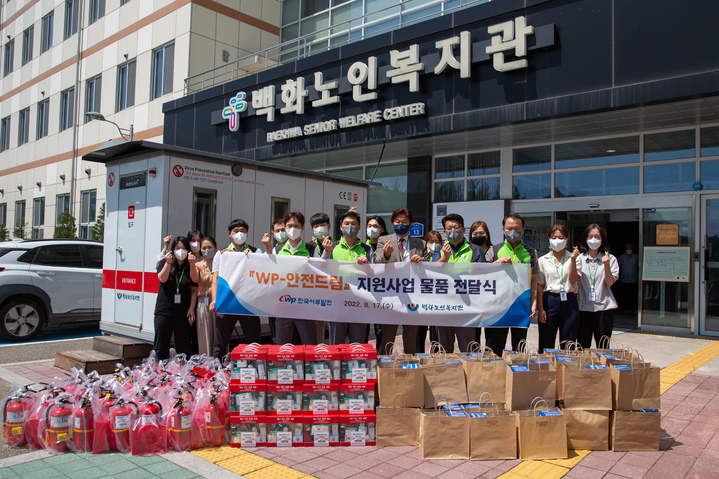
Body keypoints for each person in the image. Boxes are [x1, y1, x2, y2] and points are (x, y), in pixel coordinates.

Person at [375, 207, 429, 355]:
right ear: (392, 224)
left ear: (410, 224)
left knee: (411, 336)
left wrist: (422, 260)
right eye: (397, 221)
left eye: (404, 222)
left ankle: (410, 367)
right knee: (388, 337)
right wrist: (386, 255)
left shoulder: (420, 243)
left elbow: (430, 268)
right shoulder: (383, 240)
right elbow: (377, 264)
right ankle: (385, 368)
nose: (401, 224)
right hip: (391, 294)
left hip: (412, 296)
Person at [486, 213, 538, 356]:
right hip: (498, 306)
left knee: (519, 348)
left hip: (521, 305)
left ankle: (515, 376)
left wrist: (533, 304)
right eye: (509, 228)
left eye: (516, 228)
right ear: (503, 229)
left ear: (523, 229)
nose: (512, 231)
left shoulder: (531, 252)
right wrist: (497, 263)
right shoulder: (494, 250)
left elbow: (533, 280)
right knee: (494, 347)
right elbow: (483, 273)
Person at [209, 219, 262, 359]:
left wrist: (254, 258)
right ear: (229, 234)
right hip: (227, 302)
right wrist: (214, 300)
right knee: (220, 343)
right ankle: (217, 373)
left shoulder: (256, 251)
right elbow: (215, 278)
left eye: (243, 231)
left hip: (248, 304)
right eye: (236, 231)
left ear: (247, 233)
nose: (239, 234)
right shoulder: (221, 254)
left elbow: (263, 274)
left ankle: (256, 371)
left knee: (254, 341)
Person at [435, 214, 486, 353]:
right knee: (444, 349)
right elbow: (432, 273)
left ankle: (470, 374)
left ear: (463, 230)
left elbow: (483, 276)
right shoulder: (438, 250)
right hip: (443, 307)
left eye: (456, 227)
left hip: (467, 307)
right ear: (444, 232)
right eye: (449, 228)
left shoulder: (475, 250)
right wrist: (444, 258)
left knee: (468, 348)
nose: (453, 231)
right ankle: (448, 374)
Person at [323, 210, 371, 344]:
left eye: (354, 224)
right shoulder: (331, 247)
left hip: (359, 303)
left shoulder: (367, 249)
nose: (350, 226)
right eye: (347, 223)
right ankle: (336, 366)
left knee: (358, 345)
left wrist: (367, 266)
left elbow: (374, 274)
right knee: (335, 346)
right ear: (340, 227)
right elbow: (323, 270)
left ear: (359, 227)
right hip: (336, 303)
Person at [275, 211, 319, 345]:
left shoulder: (312, 250)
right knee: (282, 345)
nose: (292, 229)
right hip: (283, 305)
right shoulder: (277, 251)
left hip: (304, 305)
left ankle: (310, 366)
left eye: (296, 226)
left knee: (309, 343)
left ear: (302, 227)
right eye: (289, 226)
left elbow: (318, 275)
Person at [535, 225, 581, 352]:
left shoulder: (575, 258)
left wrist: (572, 260)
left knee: (568, 341)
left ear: (567, 239)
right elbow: (539, 285)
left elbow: (573, 279)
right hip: (550, 300)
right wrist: (541, 308)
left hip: (569, 299)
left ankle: (565, 368)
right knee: (546, 339)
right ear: (549, 239)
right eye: (554, 237)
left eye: (560, 237)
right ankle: (546, 368)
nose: (557, 240)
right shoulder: (543, 260)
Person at [154, 236, 197, 360]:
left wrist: (191, 308)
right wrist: (168, 263)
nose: (180, 251)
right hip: (164, 310)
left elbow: (194, 284)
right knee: (161, 345)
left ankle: (181, 371)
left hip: (182, 312)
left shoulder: (189, 266)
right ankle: (159, 372)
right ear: (173, 249)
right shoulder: (165, 261)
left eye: (184, 249)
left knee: (183, 346)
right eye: (178, 248)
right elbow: (162, 278)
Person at [577, 224, 619, 348]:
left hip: (604, 307)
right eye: (590, 236)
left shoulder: (610, 259)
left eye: (597, 236)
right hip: (583, 307)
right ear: (585, 239)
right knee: (582, 345)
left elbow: (610, 282)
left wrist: (606, 265)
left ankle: (602, 367)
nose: (593, 239)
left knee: (603, 345)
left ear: (602, 239)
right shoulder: (579, 259)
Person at [195, 237, 217, 356]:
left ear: (215, 248)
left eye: (210, 247)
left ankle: (219, 360)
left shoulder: (220, 264)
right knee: (204, 334)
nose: (206, 250)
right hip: (203, 301)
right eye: (204, 248)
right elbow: (194, 281)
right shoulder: (198, 265)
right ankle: (206, 361)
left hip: (217, 302)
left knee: (218, 334)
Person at [617, 243, 639, 312]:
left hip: (634, 279)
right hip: (624, 279)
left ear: (632, 249)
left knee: (634, 294)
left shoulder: (636, 257)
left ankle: (635, 308)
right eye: (627, 248)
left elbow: (639, 266)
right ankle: (626, 308)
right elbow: (618, 267)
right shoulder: (622, 257)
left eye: (630, 248)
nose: (629, 250)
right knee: (625, 294)